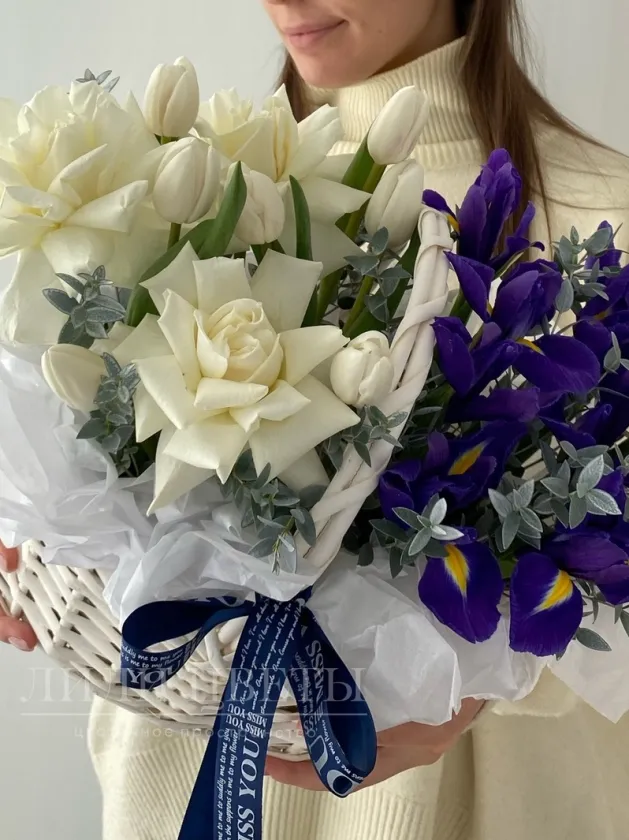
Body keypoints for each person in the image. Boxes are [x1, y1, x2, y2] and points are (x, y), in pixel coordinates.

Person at [4, 1, 629, 838]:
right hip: (172, 786)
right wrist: (25, 527)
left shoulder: (605, 220)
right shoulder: (188, 178)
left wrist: (478, 685)